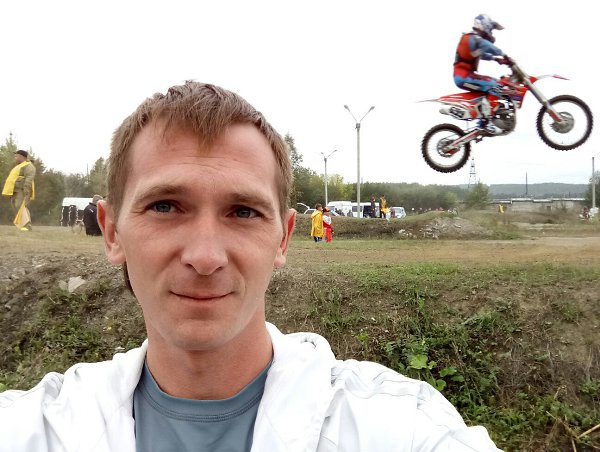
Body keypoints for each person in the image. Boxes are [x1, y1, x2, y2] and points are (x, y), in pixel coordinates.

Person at [0, 81, 500, 451]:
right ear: (111, 231)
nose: (205, 257)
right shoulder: (36, 429)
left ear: (283, 237)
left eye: (242, 212)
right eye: (165, 206)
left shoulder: (402, 429)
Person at [453, 14, 510, 135]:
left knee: (495, 82)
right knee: (496, 85)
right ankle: (488, 122)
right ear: (485, 26)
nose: (491, 32)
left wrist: (496, 59)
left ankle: (483, 121)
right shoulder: (473, 37)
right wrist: (504, 55)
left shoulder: (473, 40)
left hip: (466, 75)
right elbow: (487, 46)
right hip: (463, 76)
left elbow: (481, 54)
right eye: (490, 29)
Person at [2, 150, 36, 231]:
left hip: (22, 189)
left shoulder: (29, 166)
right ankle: (22, 225)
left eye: (16, 156)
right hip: (15, 190)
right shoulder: (19, 166)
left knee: (20, 206)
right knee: (15, 207)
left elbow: (29, 178)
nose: (15, 158)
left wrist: (26, 190)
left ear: (22, 157)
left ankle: (27, 225)